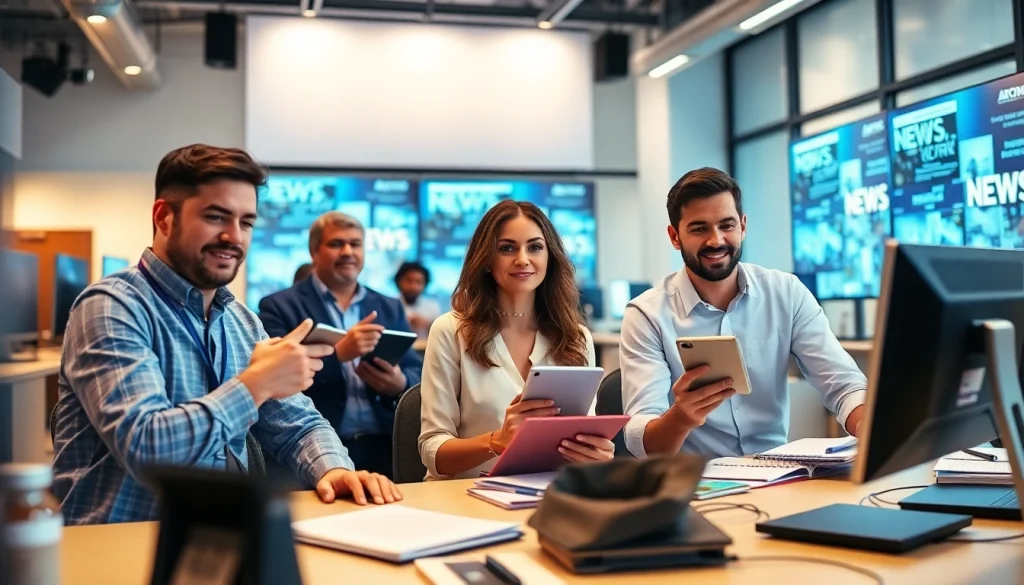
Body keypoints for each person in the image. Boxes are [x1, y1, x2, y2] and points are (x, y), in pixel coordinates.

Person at [51, 144, 401, 525]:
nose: (234, 237)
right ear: (164, 217)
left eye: (246, 222)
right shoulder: (111, 306)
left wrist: (333, 470)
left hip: (219, 537)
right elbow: (147, 449)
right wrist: (255, 384)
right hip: (119, 541)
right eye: (216, 217)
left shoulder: (241, 320)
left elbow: (299, 424)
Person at [620, 167, 867, 459]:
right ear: (675, 237)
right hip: (695, 478)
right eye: (699, 229)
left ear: (743, 226)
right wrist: (680, 418)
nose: (716, 240)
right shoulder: (646, 314)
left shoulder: (786, 293)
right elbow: (640, 441)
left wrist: (868, 425)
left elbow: (844, 384)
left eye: (727, 225)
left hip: (777, 473)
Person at [418, 200, 614, 480]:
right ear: (486, 258)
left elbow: (583, 433)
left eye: (535, 247)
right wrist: (497, 441)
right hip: (465, 494)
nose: (522, 259)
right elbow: (432, 450)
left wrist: (595, 454)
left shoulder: (576, 337)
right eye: (507, 248)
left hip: (548, 492)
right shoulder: (451, 330)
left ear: (550, 257)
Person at [258, 212, 422, 477]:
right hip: (313, 449)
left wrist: (399, 384)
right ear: (314, 252)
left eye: (355, 244)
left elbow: (418, 372)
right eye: (336, 244)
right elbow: (272, 380)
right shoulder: (279, 306)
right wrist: (338, 355)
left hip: (385, 447)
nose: (347, 252)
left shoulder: (388, 306)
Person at [394, 261, 441, 339]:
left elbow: (440, 335)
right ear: (399, 281)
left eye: (418, 282)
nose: (413, 286)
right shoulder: (389, 305)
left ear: (425, 284)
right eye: (408, 281)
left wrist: (428, 325)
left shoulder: (432, 307)